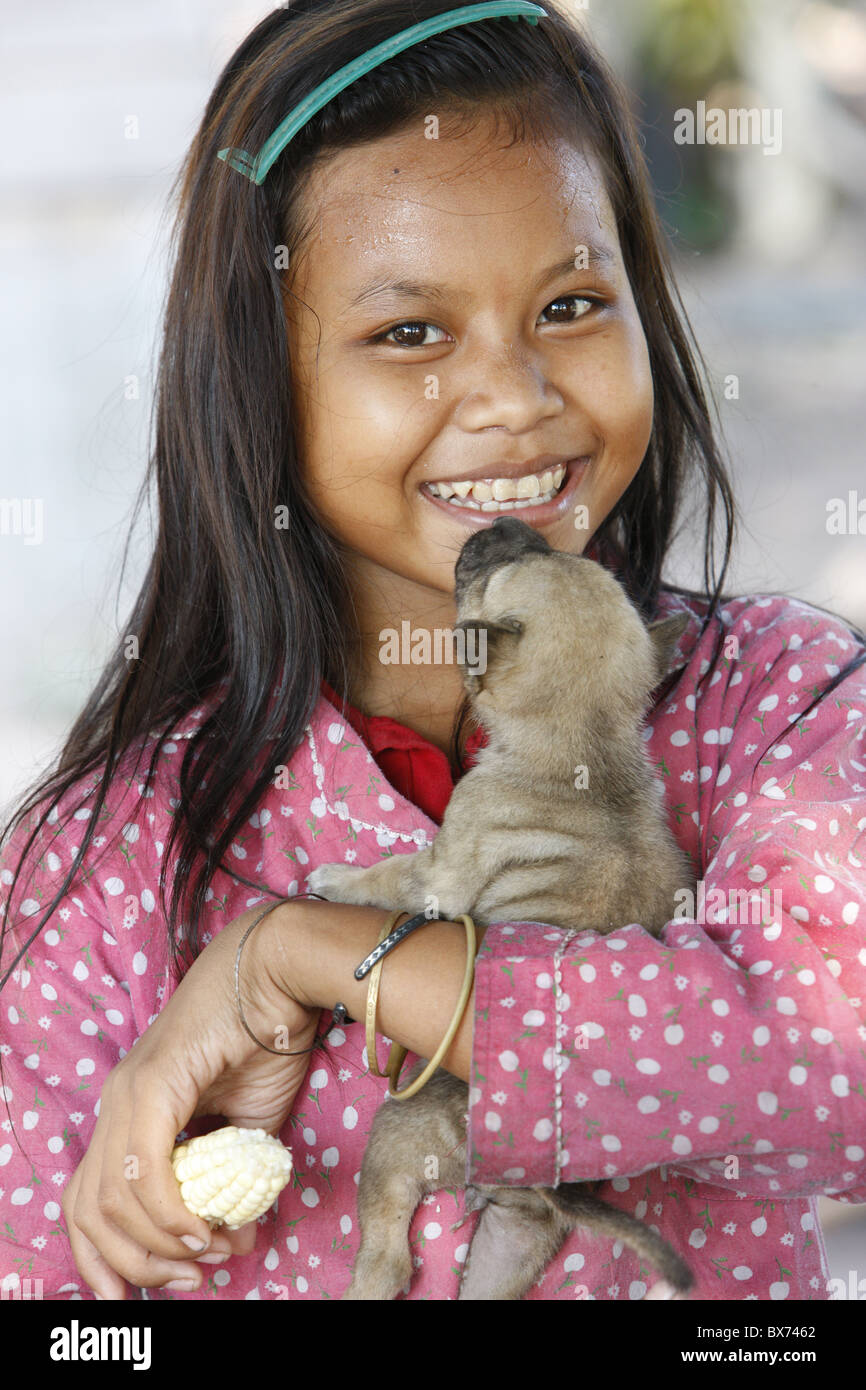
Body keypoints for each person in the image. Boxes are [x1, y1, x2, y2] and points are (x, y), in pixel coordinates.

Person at [1, 0, 864, 1303]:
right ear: (258, 376)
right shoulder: (101, 864)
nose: (516, 396)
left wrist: (299, 951)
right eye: (409, 332)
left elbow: (825, 1067)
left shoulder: (773, 709)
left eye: (572, 302)